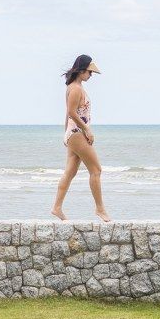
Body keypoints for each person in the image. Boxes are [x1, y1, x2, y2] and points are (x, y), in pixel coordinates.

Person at [52, 54, 110, 222]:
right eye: (89, 73)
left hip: (73, 133)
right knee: (96, 170)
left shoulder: (73, 86)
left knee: (70, 172)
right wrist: (86, 130)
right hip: (77, 133)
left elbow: (68, 113)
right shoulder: (76, 88)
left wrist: (66, 134)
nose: (91, 76)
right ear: (82, 70)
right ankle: (100, 209)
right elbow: (71, 112)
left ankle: (56, 208)